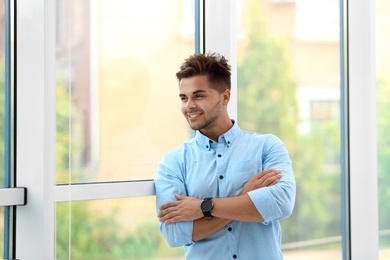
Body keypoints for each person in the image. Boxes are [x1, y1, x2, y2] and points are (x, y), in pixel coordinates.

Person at [154, 52, 296, 259]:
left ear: (225, 97)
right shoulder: (173, 162)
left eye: (199, 95)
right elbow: (175, 234)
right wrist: (244, 199)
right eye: (184, 98)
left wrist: (203, 207)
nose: (189, 106)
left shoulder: (267, 147)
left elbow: (280, 204)